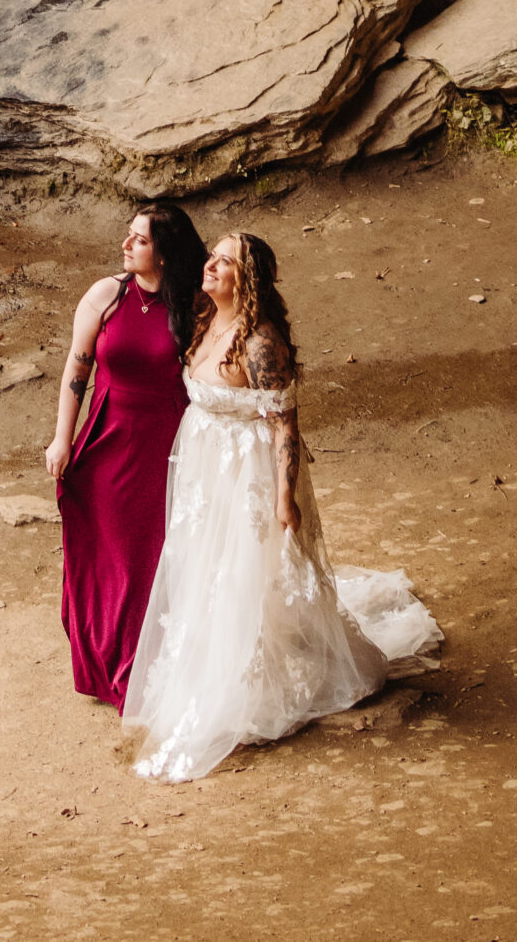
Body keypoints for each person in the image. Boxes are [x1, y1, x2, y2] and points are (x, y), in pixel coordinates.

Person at [123, 232, 441, 782]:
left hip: (247, 476)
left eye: (225, 261)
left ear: (246, 280)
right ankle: (208, 667)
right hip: (205, 471)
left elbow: (284, 425)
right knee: (204, 568)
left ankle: (247, 682)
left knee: (247, 574)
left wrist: (283, 498)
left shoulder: (261, 342)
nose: (212, 265)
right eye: (213, 256)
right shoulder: (207, 322)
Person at [45, 203, 208, 710]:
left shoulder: (196, 304)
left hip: (168, 444)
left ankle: (147, 666)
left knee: (154, 557)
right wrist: (61, 439)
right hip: (109, 439)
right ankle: (109, 664)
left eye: (138, 239)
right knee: (109, 554)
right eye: (129, 235)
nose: (125, 244)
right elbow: (77, 370)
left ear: (163, 253)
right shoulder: (105, 295)